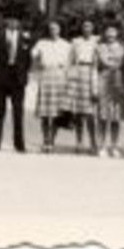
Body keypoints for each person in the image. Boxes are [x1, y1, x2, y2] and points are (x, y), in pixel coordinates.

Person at [0, 13, 32, 153]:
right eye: (10, 20)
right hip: (1, 78)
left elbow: (28, 60)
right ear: (6, 22)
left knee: (18, 112)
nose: (13, 23)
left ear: (19, 23)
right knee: (0, 112)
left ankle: (19, 144)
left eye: (16, 20)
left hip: (18, 79)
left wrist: (22, 73)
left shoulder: (25, 38)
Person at [31, 18, 70, 154]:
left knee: (55, 114)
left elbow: (70, 63)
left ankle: (51, 140)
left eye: (56, 28)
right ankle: (45, 140)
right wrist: (37, 63)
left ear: (60, 30)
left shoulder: (66, 45)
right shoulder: (42, 43)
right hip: (46, 77)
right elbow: (32, 55)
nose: (53, 31)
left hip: (59, 78)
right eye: (51, 28)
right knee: (44, 114)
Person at [64, 17, 101, 155]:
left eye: (89, 26)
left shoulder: (97, 41)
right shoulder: (75, 42)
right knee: (79, 113)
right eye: (85, 26)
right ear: (82, 28)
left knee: (91, 113)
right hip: (78, 73)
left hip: (91, 73)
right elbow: (70, 60)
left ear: (93, 28)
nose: (87, 29)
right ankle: (79, 142)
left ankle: (93, 143)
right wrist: (69, 77)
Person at [95, 23, 124, 158]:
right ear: (105, 35)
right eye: (108, 35)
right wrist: (113, 62)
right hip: (103, 81)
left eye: (113, 35)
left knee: (116, 117)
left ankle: (114, 146)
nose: (110, 37)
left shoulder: (122, 48)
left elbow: (122, 64)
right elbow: (102, 62)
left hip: (118, 82)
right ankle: (101, 145)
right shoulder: (100, 48)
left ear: (116, 35)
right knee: (103, 116)